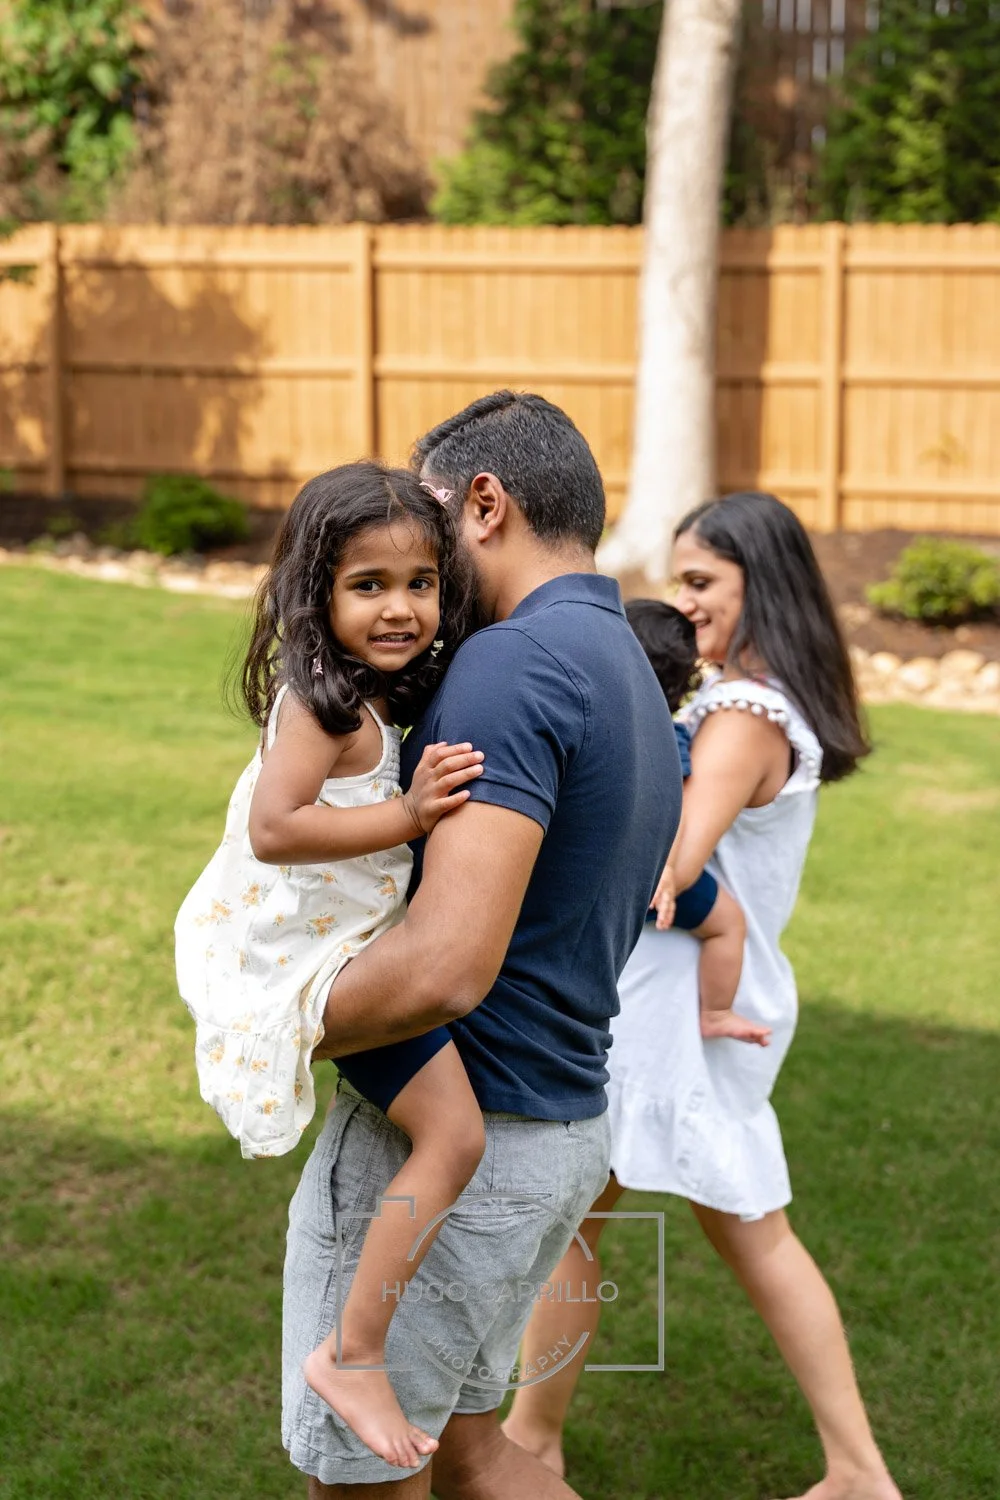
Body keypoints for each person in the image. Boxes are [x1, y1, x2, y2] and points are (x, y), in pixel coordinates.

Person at [279, 391, 681, 1499]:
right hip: (554, 1133)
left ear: (484, 504)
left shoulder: (508, 667)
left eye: (425, 525)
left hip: (462, 1150)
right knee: (468, 1450)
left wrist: (274, 1025)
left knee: (365, 1481)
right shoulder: (624, 669)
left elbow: (446, 967)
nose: (410, 568)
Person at [505, 493, 903, 1500]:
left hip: (676, 1015)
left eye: (699, 583)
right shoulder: (751, 701)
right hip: (681, 1002)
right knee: (622, 1221)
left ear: (758, 585)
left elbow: (666, 862)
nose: (678, 604)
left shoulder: (739, 714)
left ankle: (856, 1471)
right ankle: (532, 1440)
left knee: (712, 1225)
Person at [175, 462, 489, 1469]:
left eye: (420, 583)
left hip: (347, 943)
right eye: (369, 586)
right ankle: (352, 1352)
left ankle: (360, 1347)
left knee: (452, 1138)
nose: (401, 608)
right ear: (317, 591)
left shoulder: (368, 694)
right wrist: (408, 815)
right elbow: (274, 827)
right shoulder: (321, 706)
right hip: (317, 962)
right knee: (454, 1138)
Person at [624, 598, 769, 1047]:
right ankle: (718, 1011)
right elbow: (676, 806)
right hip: (648, 870)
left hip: (598, 863)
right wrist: (666, 869)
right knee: (729, 924)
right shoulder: (668, 734)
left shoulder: (601, 719)